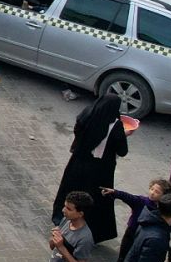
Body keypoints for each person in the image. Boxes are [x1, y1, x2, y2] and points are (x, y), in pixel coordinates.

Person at [53, 94, 130, 244]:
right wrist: (124, 135)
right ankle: (90, 231)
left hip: (78, 162)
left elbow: (78, 132)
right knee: (95, 198)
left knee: (70, 191)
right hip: (100, 170)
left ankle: (62, 218)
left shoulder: (87, 113)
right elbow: (122, 151)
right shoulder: (115, 126)